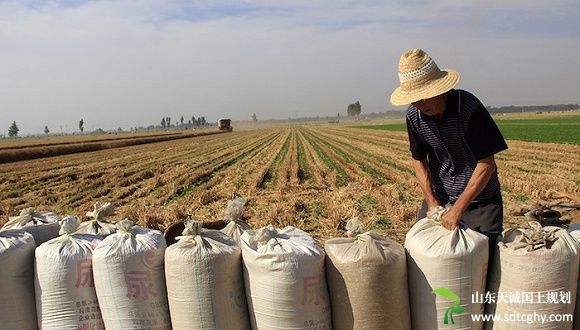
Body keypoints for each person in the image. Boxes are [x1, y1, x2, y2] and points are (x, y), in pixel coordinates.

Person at [390, 48, 508, 260]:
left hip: (480, 201)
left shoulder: (468, 108)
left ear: (438, 89)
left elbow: (487, 163)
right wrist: (432, 201)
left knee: (483, 259)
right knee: (421, 253)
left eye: (422, 98)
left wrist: (458, 208)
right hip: (441, 198)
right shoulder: (414, 116)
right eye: (413, 99)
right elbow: (419, 160)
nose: (418, 104)